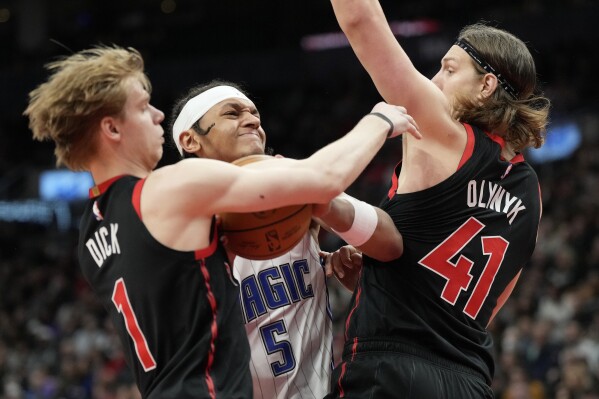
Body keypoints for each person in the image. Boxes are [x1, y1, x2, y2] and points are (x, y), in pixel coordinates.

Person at [23, 45, 420, 399]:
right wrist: (379, 120)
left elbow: (182, 286)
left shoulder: (93, 231)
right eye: (144, 106)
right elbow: (323, 179)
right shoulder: (171, 188)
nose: (158, 113)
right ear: (111, 128)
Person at [318, 1, 552, 398]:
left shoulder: (441, 132)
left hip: (392, 372)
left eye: (448, 68)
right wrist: (383, 281)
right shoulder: (532, 193)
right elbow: (480, 311)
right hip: (470, 382)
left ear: (486, 86)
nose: (434, 79)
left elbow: (360, 20)